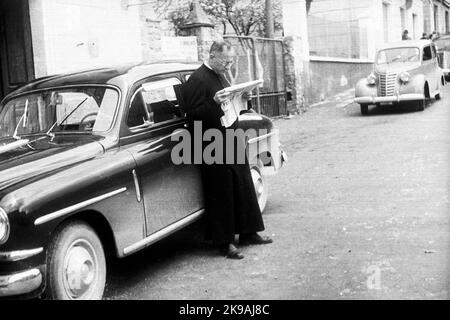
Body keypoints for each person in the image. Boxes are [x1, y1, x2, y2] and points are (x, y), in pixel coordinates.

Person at [180, 40, 273, 260]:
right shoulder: (197, 80)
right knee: (221, 191)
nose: (228, 66)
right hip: (210, 142)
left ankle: (249, 232)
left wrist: (243, 99)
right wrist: (213, 102)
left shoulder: (220, 74)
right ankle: (225, 242)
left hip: (229, 134)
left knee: (242, 183)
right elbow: (192, 116)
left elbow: (228, 104)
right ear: (212, 55)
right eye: (226, 61)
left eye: (231, 61)